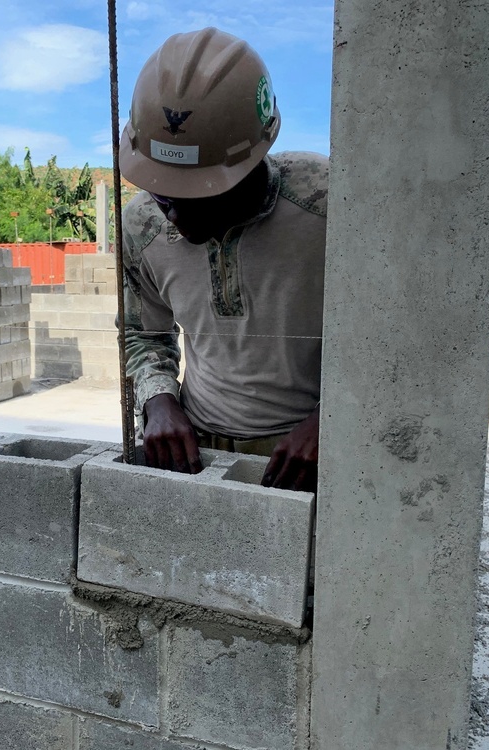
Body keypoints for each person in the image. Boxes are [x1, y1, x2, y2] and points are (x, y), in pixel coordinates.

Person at [119, 27, 328, 491]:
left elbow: (384, 338)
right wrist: (159, 401)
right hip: (196, 445)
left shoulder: (328, 205)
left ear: (256, 156)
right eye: (165, 198)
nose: (179, 222)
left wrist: (333, 421)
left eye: (203, 198)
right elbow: (141, 333)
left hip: (308, 455)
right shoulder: (142, 226)